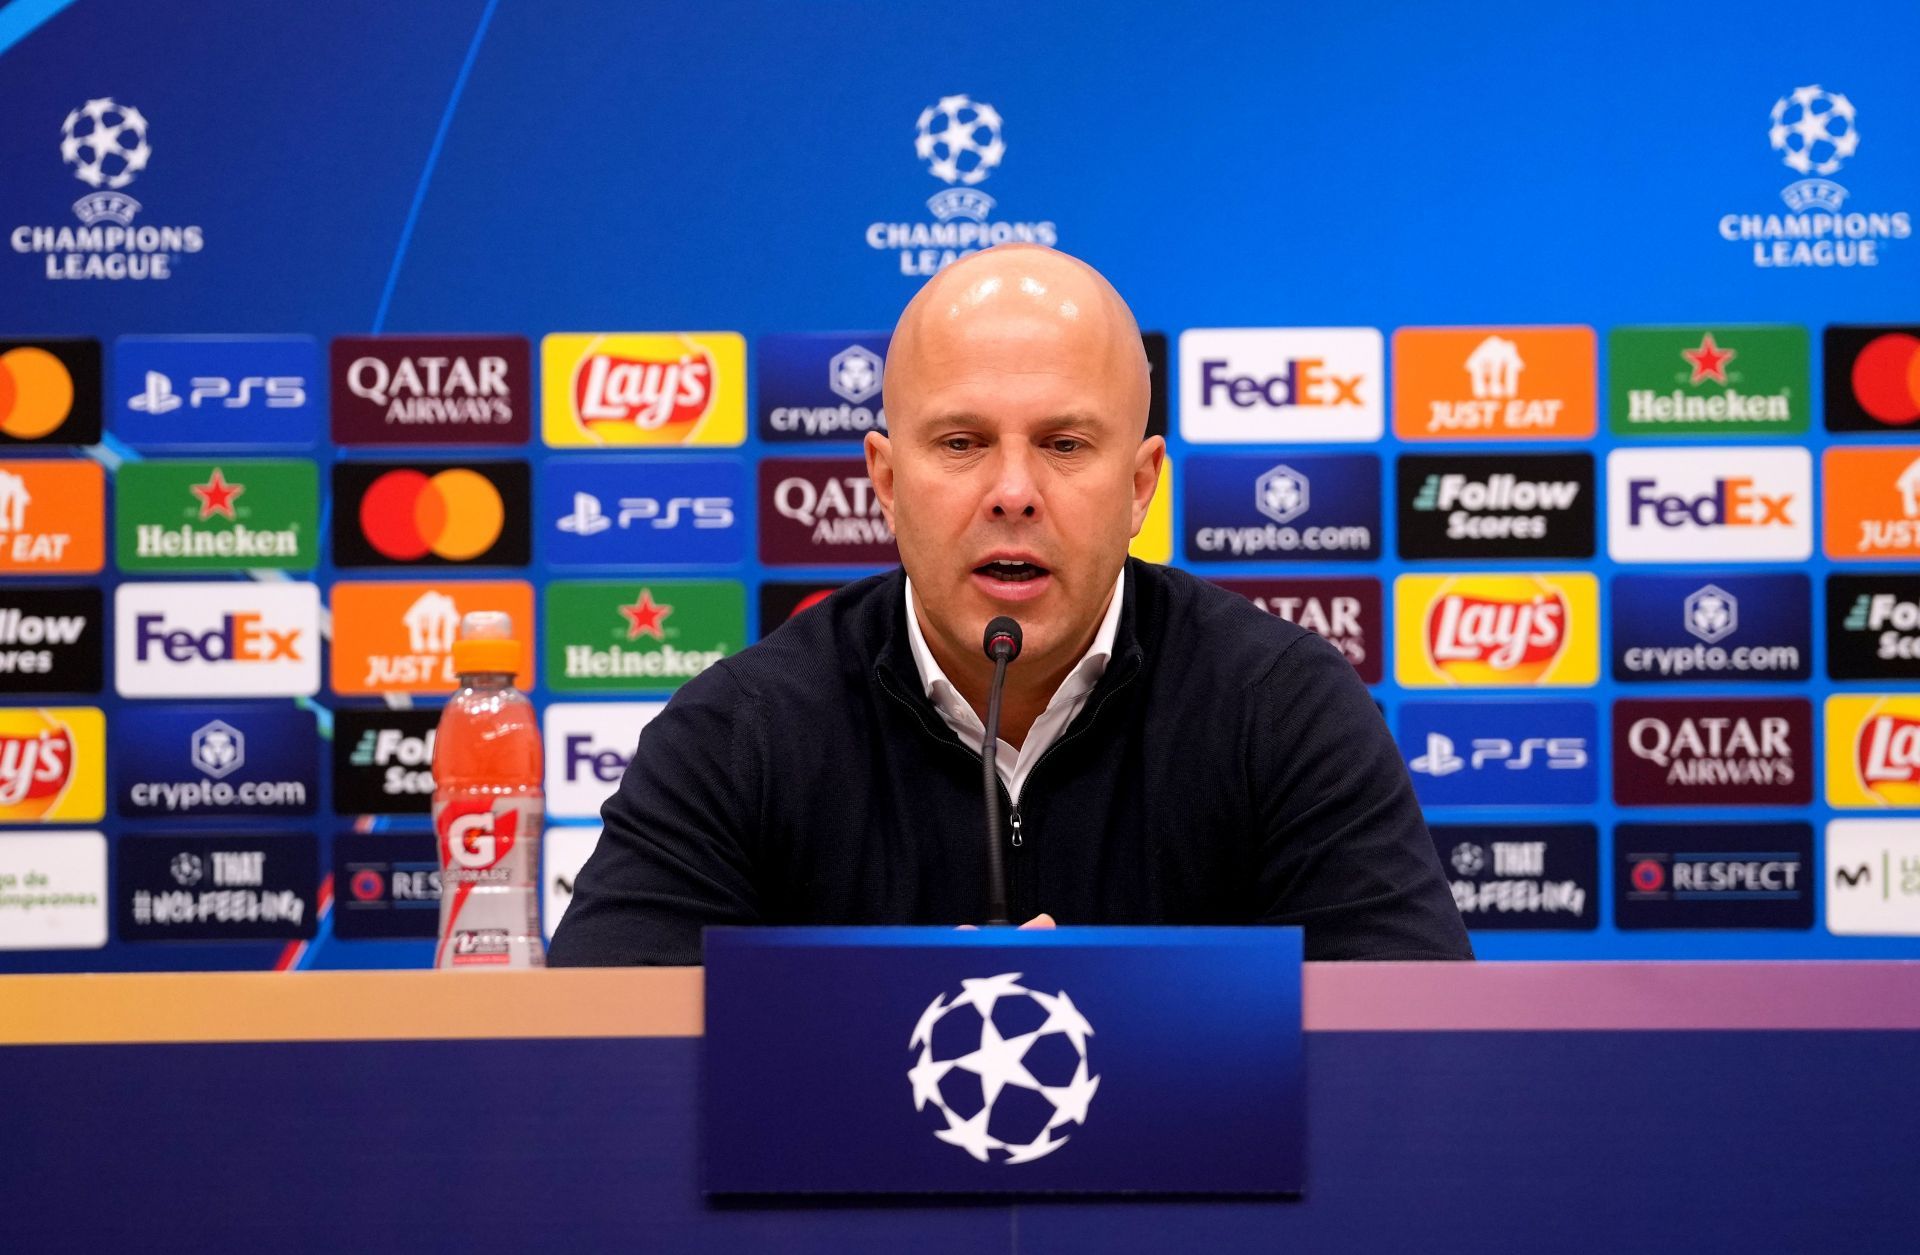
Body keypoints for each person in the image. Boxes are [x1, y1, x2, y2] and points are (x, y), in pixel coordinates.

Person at [549, 245, 1472, 966]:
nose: (1014, 491)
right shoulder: (741, 733)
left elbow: (1409, 1045)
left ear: (1142, 484)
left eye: (1066, 444)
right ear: (885, 478)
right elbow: (605, 1061)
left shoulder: (1279, 704)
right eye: (961, 442)